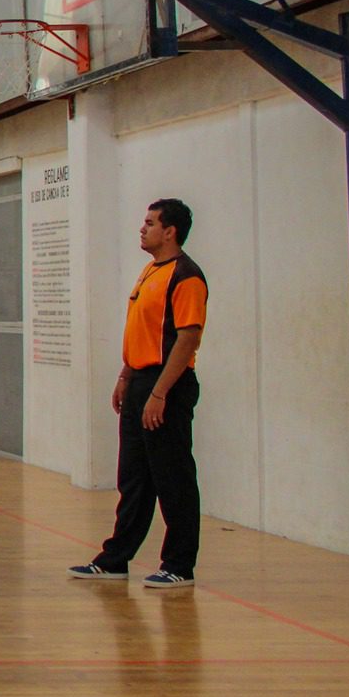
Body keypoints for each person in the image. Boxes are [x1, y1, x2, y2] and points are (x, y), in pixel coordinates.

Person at [69, 198, 208, 590]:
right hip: (140, 382)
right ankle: (115, 558)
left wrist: (160, 393)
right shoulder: (151, 271)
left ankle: (179, 564)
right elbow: (140, 331)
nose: (142, 229)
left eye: (150, 223)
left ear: (170, 231)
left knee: (173, 476)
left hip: (167, 385)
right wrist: (126, 376)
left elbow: (188, 337)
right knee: (134, 477)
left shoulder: (186, 276)